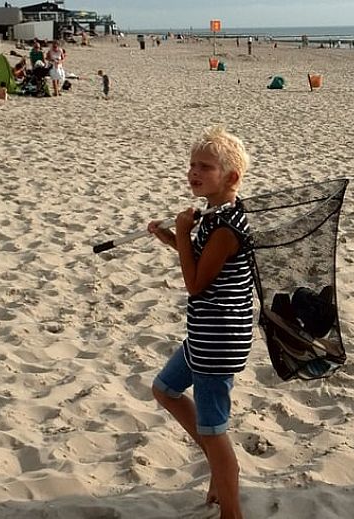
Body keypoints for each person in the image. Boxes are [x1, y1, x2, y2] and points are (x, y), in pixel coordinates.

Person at [148, 126, 253, 519]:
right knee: (165, 389)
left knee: (215, 431)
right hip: (204, 334)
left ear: (231, 178)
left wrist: (181, 231)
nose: (193, 173)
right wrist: (173, 239)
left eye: (205, 167)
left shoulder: (226, 227)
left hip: (219, 337)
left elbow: (195, 284)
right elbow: (200, 260)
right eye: (192, 165)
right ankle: (217, 467)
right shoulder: (213, 216)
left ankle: (232, 510)